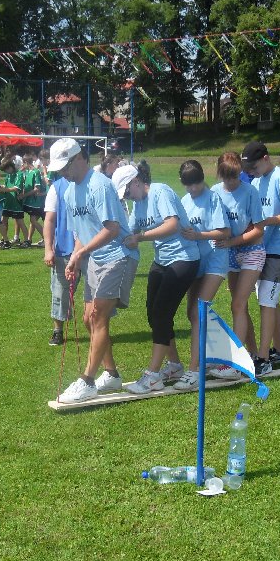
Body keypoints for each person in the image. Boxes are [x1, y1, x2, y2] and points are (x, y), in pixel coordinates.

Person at [50, 138, 139, 403]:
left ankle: (87, 381)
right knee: (89, 319)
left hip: (118, 255)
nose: (63, 173)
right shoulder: (68, 191)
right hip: (93, 258)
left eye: (65, 167)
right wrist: (75, 257)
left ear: (79, 158)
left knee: (99, 315)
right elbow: (80, 232)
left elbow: (112, 229)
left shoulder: (100, 186)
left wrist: (81, 252)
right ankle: (111, 374)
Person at [113, 162, 201, 393]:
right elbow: (128, 231)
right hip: (162, 260)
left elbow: (172, 225)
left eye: (127, 192)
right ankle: (175, 366)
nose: (128, 198)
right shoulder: (138, 204)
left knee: (162, 312)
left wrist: (141, 237)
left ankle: (153, 376)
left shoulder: (161, 191)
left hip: (184, 258)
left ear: (136, 181)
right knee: (153, 313)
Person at [171, 160, 231, 390]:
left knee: (199, 312)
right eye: (189, 185)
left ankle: (195, 370)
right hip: (195, 262)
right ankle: (211, 358)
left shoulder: (213, 198)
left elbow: (224, 232)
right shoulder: (184, 201)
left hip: (215, 261)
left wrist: (199, 235)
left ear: (202, 179)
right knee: (192, 313)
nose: (193, 188)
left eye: (196, 183)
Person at [241, 141, 280, 376]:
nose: (251, 172)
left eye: (254, 167)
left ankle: (263, 359)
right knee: (268, 301)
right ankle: (279, 350)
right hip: (260, 248)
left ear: (266, 158)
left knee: (267, 300)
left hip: (278, 248)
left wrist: (267, 222)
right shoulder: (256, 181)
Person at [209, 152, 265, 380]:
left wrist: (232, 241)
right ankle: (250, 354)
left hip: (252, 250)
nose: (231, 182)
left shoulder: (250, 192)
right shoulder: (214, 192)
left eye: (234, 177)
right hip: (229, 254)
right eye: (226, 177)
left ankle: (236, 363)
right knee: (239, 307)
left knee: (238, 304)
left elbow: (259, 229)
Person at [43, 171, 83, 347]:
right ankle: (58, 330)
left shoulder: (92, 184)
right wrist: (48, 249)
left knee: (97, 293)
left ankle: (99, 330)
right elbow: (49, 220)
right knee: (60, 292)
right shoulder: (57, 187)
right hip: (64, 249)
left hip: (91, 249)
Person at [20, 154, 45, 247]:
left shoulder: (36, 172)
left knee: (33, 220)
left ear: (26, 162)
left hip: (36, 202)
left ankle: (47, 239)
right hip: (30, 201)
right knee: (33, 221)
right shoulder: (27, 172)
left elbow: (36, 189)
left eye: (23, 163)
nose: (22, 165)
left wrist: (24, 195)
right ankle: (29, 240)